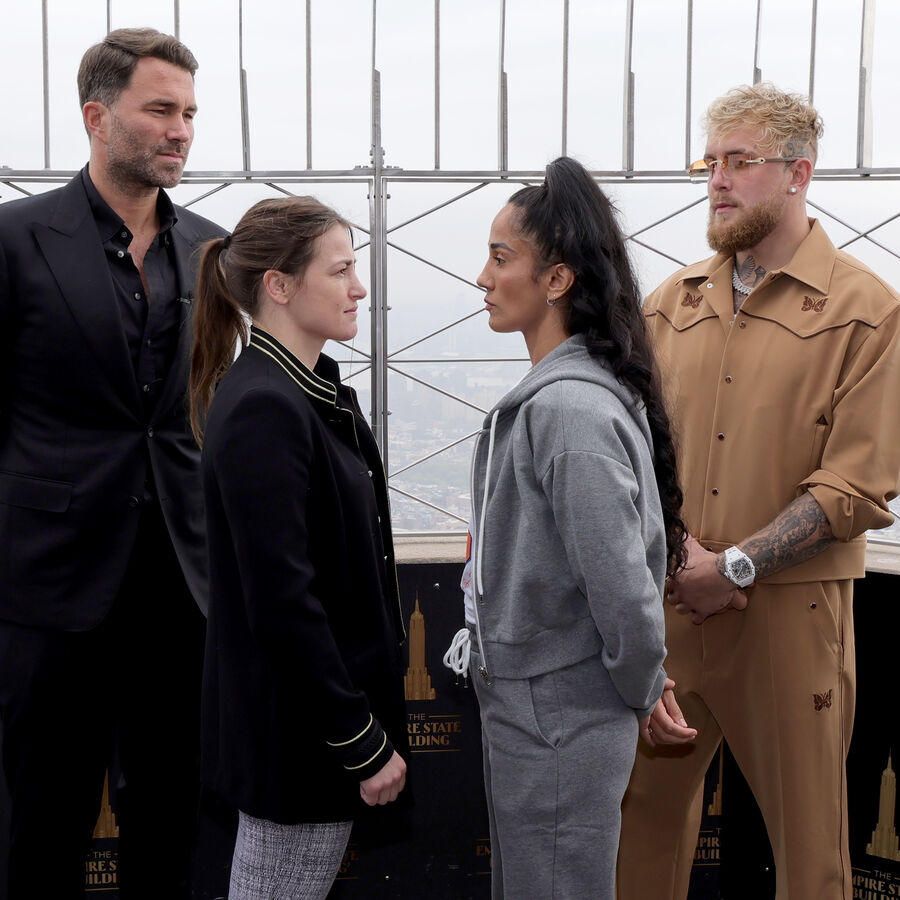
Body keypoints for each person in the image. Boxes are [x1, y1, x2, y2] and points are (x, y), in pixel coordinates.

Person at [617, 83, 900, 900]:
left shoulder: (868, 311)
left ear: (798, 172)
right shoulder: (673, 304)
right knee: (641, 833)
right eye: (711, 161)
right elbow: (634, 457)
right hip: (670, 606)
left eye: (741, 161)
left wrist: (733, 567)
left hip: (789, 618)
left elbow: (856, 485)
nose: (718, 179)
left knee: (811, 860)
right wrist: (682, 560)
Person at [0, 27, 225, 900]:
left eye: (191, 114)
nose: (181, 131)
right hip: (48, 591)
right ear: (98, 116)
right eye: (160, 110)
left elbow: (211, 410)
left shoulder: (214, 249)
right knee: (40, 827)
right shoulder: (17, 240)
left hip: (179, 589)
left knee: (170, 827)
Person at [462, 156, 691, 900]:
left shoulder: (567, 411)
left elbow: (623, 590)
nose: (483, 278)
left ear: (556, 280)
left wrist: (642, 681)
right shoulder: (577, 397)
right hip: (550, 709)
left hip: (558, 715)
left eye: (502, 258)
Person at [189, 196, 409, 899]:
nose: (359, 287)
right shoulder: (266, 404)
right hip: (301, 746)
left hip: (307, 735)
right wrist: (359, 741)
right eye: (340, 270)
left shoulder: (301, 390)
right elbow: (283, 604)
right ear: (279, 286)